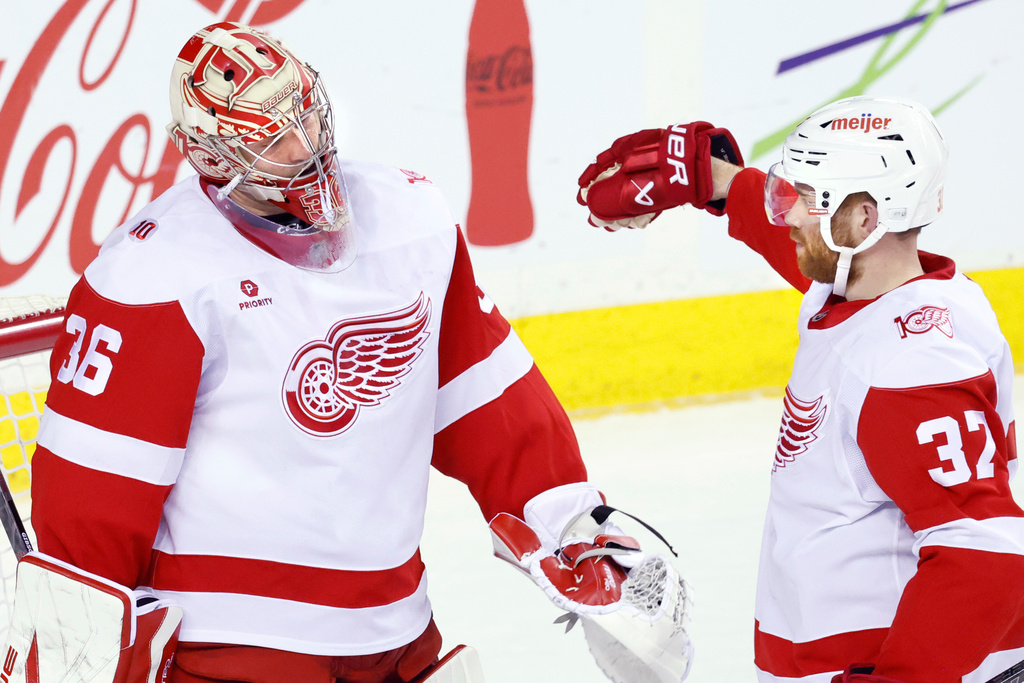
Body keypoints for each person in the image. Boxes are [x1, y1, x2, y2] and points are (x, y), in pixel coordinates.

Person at [23, 21, 691, 683]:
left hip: (398, 637)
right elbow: (94, 497)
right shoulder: (153, 273)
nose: (307, 145)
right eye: (272, 137)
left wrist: (573, 521)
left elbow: (489, 401)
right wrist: (75, 654)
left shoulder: (411, 222)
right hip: (232, 647)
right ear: (212, 155)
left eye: (305, 115)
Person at [575, 96, 1024, 683]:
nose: (786, 213)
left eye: (808, 198)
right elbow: (800, 255)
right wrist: (718, 183)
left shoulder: (909, 368)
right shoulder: (892, 291)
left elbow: (985, 554)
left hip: (883, 663)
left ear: (865, 219)